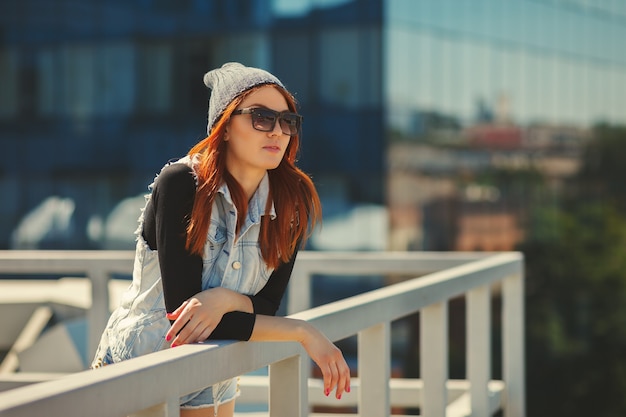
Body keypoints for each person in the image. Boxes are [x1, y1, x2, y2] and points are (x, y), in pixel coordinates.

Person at [91, 62, 351, 416]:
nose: (277, 131)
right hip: (142, 368)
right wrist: (301, 331)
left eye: (287, 121)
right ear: (225, 126)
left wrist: (224, 298)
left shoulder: (291, 205)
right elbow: (183, 318)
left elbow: (267, 306)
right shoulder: (182, 183)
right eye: (261, 117)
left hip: (214, 374)